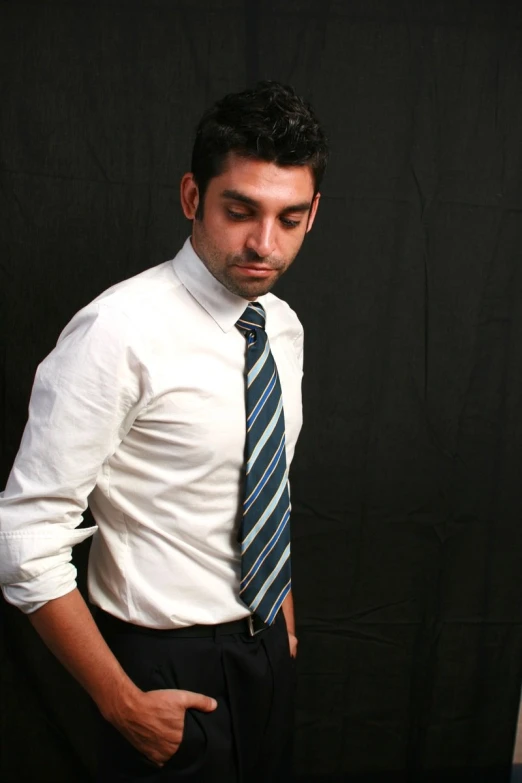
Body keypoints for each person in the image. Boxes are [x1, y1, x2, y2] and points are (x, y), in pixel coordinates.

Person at [0, 81, 328, 782]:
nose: (263, 244)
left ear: (313, 213)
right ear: (191, 197)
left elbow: (269, 485)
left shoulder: (283, 327)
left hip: (266, 648)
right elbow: (24, 536)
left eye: (289, 218)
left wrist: (284, 627)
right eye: (240, 211)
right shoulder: (116, 332)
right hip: (162, 666)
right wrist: (121, 701)